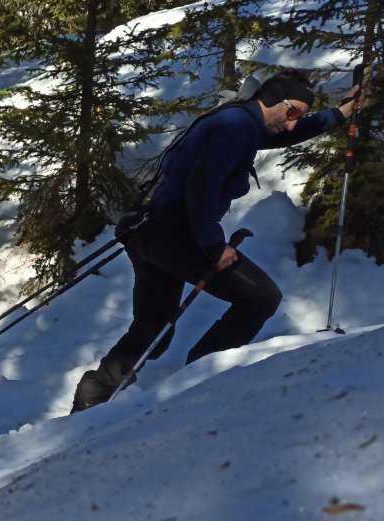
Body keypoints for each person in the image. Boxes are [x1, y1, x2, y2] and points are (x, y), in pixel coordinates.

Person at [71, 69, 363, 414]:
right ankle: (199, 379)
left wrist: (339, 114)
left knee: (155, 325)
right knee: (261, 297)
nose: (291, 123)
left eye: (298, 115)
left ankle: (95, 392)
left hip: (147, 230)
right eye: (292, 112)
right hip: (173, 234)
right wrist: (213, 245)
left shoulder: (242, 123)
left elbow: (284, 135)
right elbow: (203, 185)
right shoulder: (236, 127)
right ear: (271, 101)